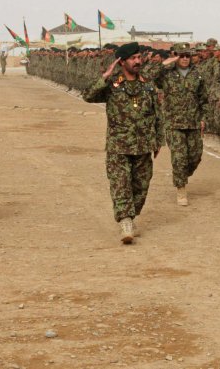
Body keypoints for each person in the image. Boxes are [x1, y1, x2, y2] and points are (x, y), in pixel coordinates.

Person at [82, 42, 163, 244]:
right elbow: (88, 96)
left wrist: (158, 140)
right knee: (120, 184)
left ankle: (131, 214)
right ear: (122, 62)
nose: (138, 61)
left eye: (139, 58)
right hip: (118, 145)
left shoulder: (148, 84)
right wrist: (105, 76)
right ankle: (125, 221)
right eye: (133, 58)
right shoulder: (112, 85)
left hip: (143, 145)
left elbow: (158, 114)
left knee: (141, 187)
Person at [155, 42, 208, 206]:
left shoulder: (197, 74)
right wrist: (166, 63)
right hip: (173, 123)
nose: (185, 59)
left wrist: (203, 118)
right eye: (181, 55)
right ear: (175, 55)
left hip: (193, 123)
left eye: (187, 55)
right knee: (179, 158)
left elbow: (203, 99)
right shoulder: (166, 75)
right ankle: (181, 189)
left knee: (195, 156)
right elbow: (147, 74)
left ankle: (183, 175)